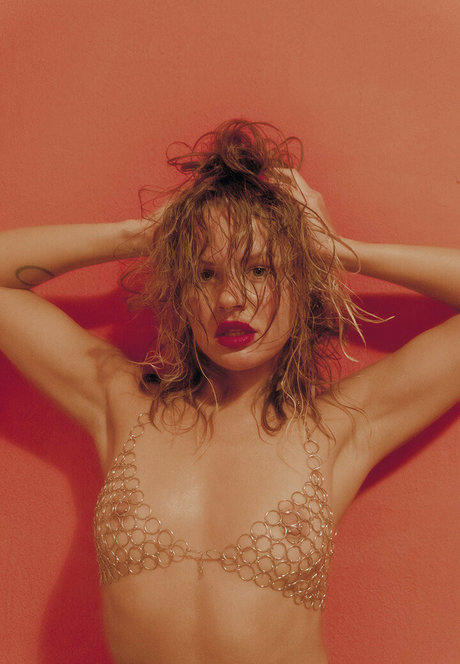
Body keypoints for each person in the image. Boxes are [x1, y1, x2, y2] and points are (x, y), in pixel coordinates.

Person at [0, 119, 458, 664]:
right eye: (205, 273)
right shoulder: (122, 404)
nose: (229, 299)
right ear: (179, 290)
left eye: (259, 270)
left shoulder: (341, 426)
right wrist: (143, 234)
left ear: (303, 283)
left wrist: (336, 248)